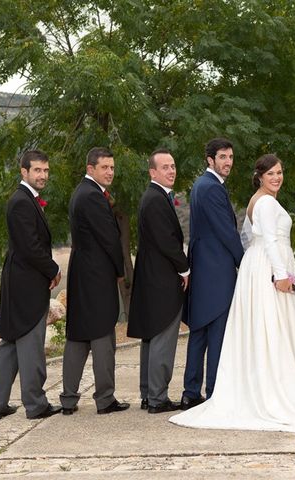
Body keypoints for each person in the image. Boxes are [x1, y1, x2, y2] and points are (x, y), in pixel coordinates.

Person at [170, 155, 295, 431]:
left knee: (267, 332)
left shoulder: (260, 200)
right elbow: (270, 241)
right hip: (270, 270)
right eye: (271, 174)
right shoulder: (264, 202)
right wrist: (279, 275)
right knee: (271, 332)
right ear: (260, 176)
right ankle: (273, 393)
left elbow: (246, 238)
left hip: (260, 266)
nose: (277, 177)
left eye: (280, 172)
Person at [0, 150, 63, 420]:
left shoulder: (26, 200)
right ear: (24, 171)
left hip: (19, 282)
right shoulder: (21, 202)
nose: (42, 175)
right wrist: (53, 269)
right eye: (37, 170)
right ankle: (36, 403)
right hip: (26, 285)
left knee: (9, 343)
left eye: (45, 170)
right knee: (30, 343)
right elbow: (30, 246)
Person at [60, 147, 130, 415]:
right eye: (105, 168)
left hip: (81, 272)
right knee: (102, 335)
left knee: (77, 335)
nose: (110, 172)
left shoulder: (81, 192)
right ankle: (105, 398)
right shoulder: (92, 196)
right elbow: (110, 240)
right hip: (96, 274)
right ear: (91, 169)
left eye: (112, 167)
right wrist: (119, 270)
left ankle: (68, 399)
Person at [181, 138, 244, 409]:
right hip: (216, 274)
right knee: (215, 334)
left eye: (230, 157)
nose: (227, 162)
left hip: (204, 270)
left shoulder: (202, 185)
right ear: (210, 160)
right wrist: (246, 261)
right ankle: (214, 393)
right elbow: (227, 233)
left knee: (200, 333)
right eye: (222, 157)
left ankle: (190, 392)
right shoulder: (211, 189)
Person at [128, 149, 189, 414]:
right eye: (165, 167)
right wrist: (185, 268)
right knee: (163, 336)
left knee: (152, 337)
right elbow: (167, 241)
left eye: (173, 166)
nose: (171, 171)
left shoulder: (155, 197)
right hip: (162, 279)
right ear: (153, 172)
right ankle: (157, 397)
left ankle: (148, 393)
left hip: (152, 278)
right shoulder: (155, 199)